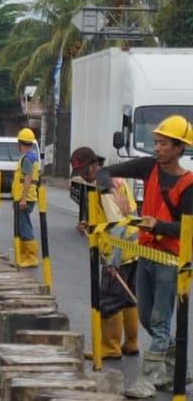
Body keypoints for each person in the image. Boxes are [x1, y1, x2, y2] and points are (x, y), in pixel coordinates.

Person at [97, 115, 193, 392]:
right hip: (145, 253)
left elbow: (187, 228)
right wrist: (110, 191)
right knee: (147, 317)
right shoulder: (148, 167)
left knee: (160, 319)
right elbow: (104, 172)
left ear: (179, 149)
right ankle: (177, 366)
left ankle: (151, 378)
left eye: (164, 143)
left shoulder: (187, 185)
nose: (158, 148)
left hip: (170, 259)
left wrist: (158, 225)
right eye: (156, 142)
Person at [71, 146, 140, 361]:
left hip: (119, 250)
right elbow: (112, 221)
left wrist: (113, 261)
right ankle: (130, 343)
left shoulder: (105, 187)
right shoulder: (114, 179)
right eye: (81, 174)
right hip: (134, 247)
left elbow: (117, 224)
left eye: (86, 172)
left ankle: (110, 346)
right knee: (128, 299)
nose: (85, 177)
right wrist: (92, 227)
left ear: (94, 165)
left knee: (110, 300)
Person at [12, 127, 40, 268]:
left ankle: (31, 257)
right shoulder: (32, 156)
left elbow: (28, 178)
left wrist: (22, 199)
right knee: (21, 226)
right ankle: (23, 256)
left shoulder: (27, 159)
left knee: (25, 227)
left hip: (25, 198)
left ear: (20, 143)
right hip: (26, 196)